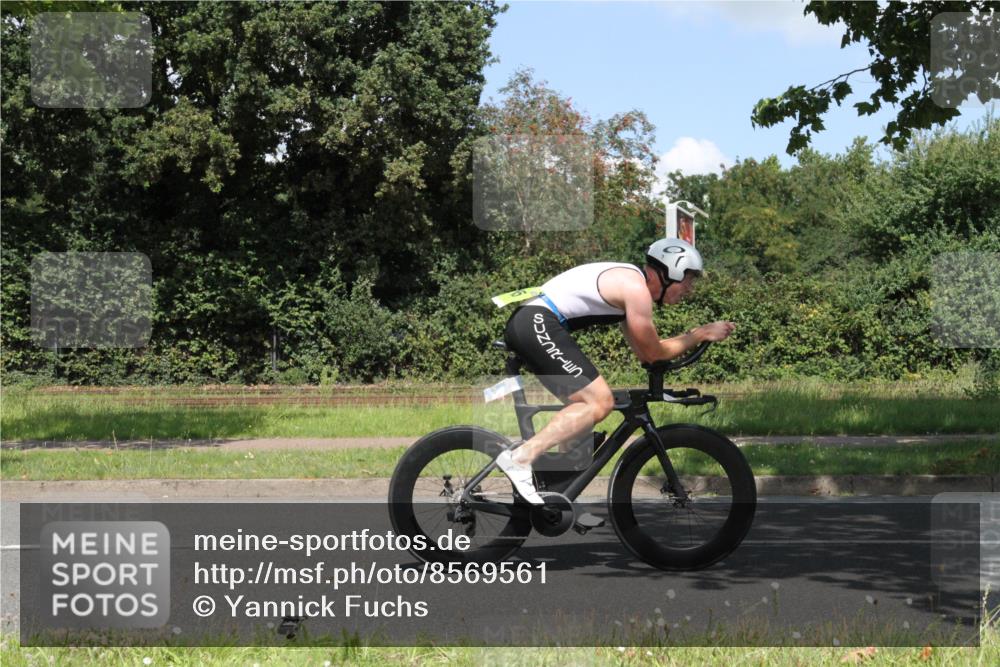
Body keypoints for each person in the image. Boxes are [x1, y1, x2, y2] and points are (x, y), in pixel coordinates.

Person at [494, 239, 735, 504]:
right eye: (688, 279)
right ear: (671, 272)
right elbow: (655, 352)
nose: (690, 288)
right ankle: (521, 458)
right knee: (599, 401)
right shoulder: (636, 290)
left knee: (584, 415)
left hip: (534, 321)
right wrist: (698, 334)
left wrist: (687, 344)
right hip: (537, 322)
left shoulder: (629, 289)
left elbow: (647, 355)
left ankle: (557, 498)